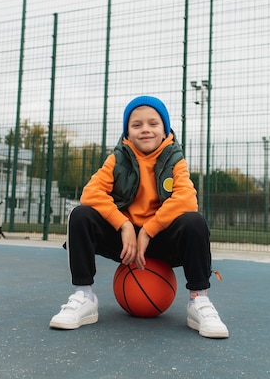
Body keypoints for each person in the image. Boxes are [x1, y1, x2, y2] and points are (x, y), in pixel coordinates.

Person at [49, 95, 229, 339]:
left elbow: (187, 199)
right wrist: (124, 224)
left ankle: (198, 301)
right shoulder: (117, 159)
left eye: (153, 124)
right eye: (137, 125)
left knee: (194, 221)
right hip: (126, 243)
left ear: (165, 129)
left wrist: (148, 230)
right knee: (81, 215)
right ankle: (84, 296)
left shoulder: (175, 159)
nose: (145, 129)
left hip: (161, 240)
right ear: (127, 131)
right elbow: (91, 193)